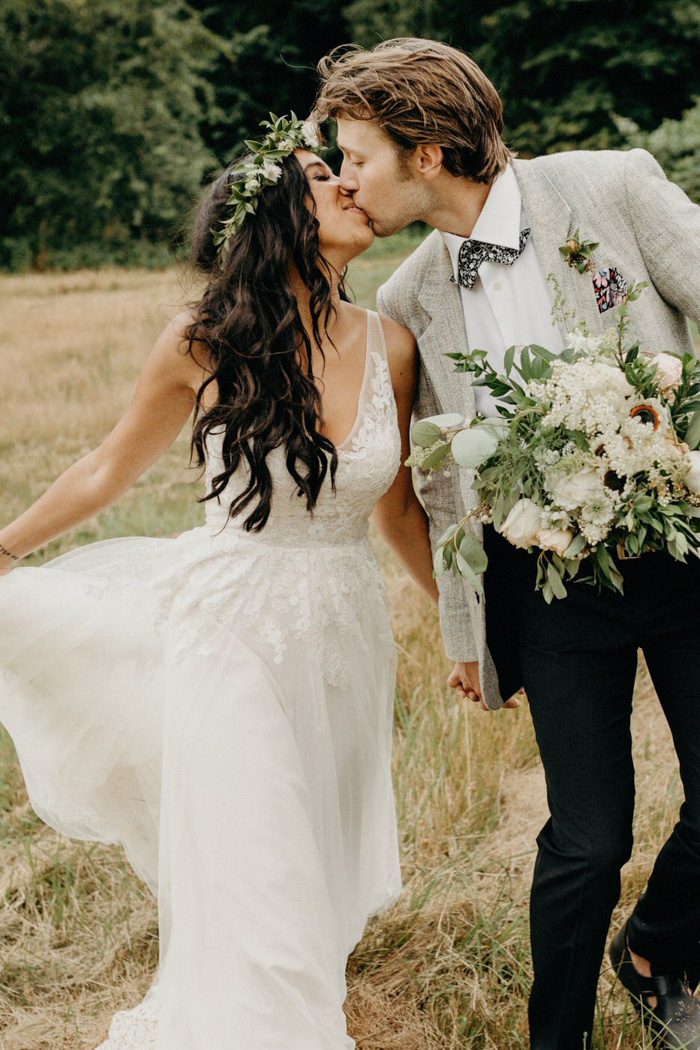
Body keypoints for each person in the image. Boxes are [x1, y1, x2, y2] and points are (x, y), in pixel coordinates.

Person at [0, 115, 439, 1048]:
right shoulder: (204, 339)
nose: (351, 188)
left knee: (310, 871)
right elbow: (106, 469)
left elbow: (399, 512)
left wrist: (471, 628)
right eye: (327, 179)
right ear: (283, 214)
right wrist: (3, 549)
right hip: (230, 628)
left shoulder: (392, 346)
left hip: (342, 638)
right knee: (257, 869)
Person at [314, 37, 700, 1050]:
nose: (345, 177)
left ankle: (657, 949)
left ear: (428, 149)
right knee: (588, 837)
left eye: (355, 154)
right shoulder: (406, 302)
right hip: (550, 587)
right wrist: (464, 630)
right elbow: (427, 492)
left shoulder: (612, 188)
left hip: (687, 547)